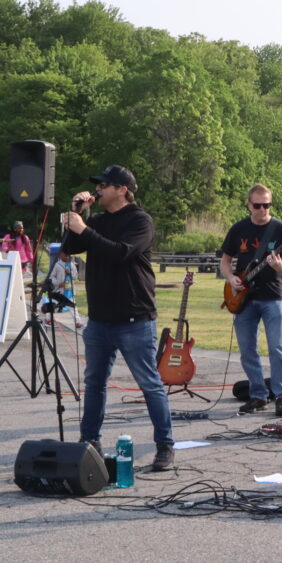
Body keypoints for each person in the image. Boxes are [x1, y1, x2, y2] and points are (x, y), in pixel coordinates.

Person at [61, 165, 174, 470]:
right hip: (100, 320)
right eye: (97, 186)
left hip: (134, 318)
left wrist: (85, 229)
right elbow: (69, 249)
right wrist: (75, 217)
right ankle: (90, 441)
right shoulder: (96, 220)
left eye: (104, 185)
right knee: (95, 382)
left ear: (122, 189)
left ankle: (165, 444)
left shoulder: (140, 221)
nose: (97, 190)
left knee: (148, 383)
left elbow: (120, 252)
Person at [220, 184, 282, 417]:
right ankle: (257, 395)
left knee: (277, 347)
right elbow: (225, 261)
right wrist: (231, 277)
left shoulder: (280, 229)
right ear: (249, 204)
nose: (262, 209)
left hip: (272, 295)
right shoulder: (238, 229)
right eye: (258, 205)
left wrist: (280, 267)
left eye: (267, 205)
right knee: (247, 350)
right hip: (244, 298)